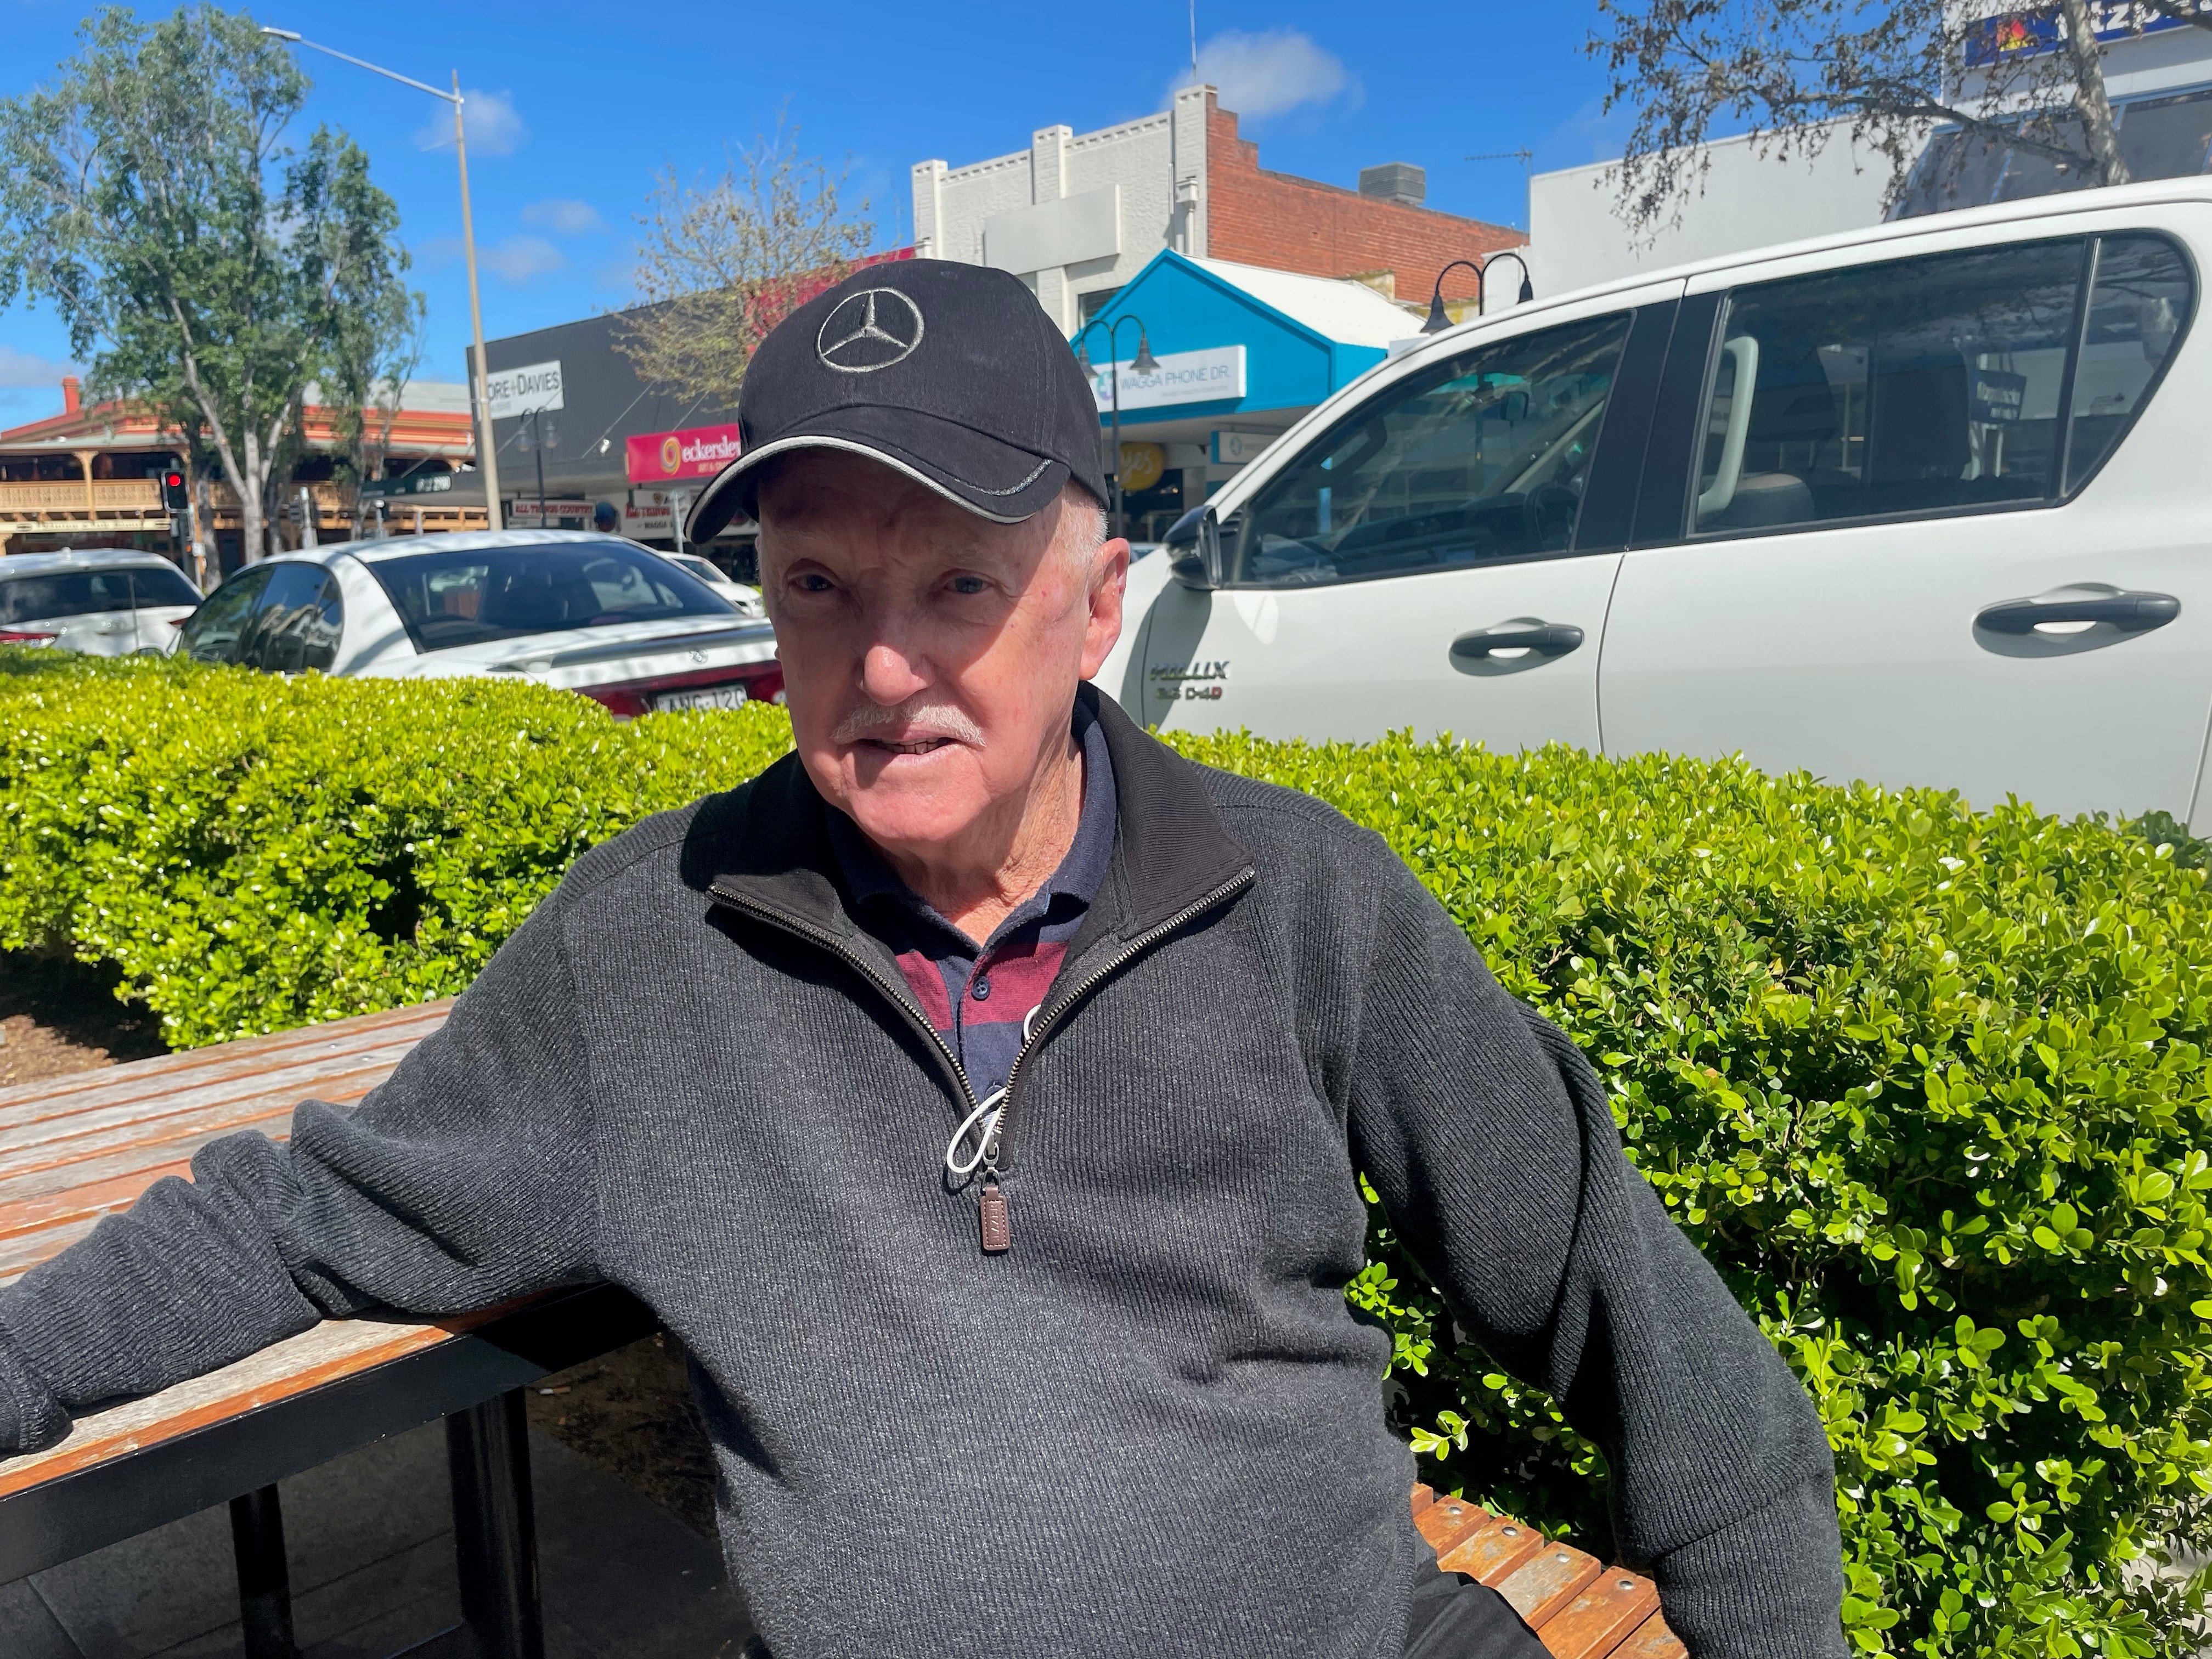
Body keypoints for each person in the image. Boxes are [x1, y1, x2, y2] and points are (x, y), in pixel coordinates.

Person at [0, 261, 1845, 1658]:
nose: (885, 667)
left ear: (1095, 603)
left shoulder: (1303, 906)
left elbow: (1656, 1342)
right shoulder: (655, 939)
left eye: (959, 581)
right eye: (818, 588)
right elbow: (303, 1216)